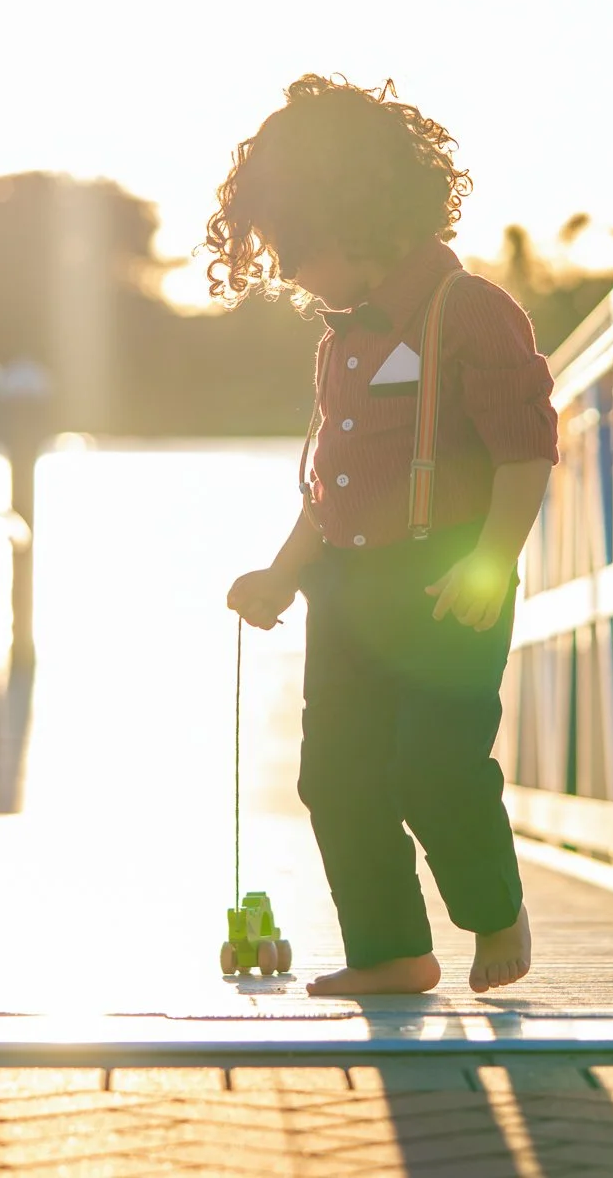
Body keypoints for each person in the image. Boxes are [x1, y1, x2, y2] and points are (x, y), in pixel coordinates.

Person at [210, 75, 557, 996]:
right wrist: (282, 576)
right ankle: (391, 948)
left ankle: (492, 910)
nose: (286, 270)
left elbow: (526, 453)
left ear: (355, 218)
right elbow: (331, 489)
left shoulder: (471, 310)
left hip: (449, 581)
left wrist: (493, 561)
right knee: (337, 774)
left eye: (294, 246)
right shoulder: (342, 339)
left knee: (432, 764)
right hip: (350, 590)